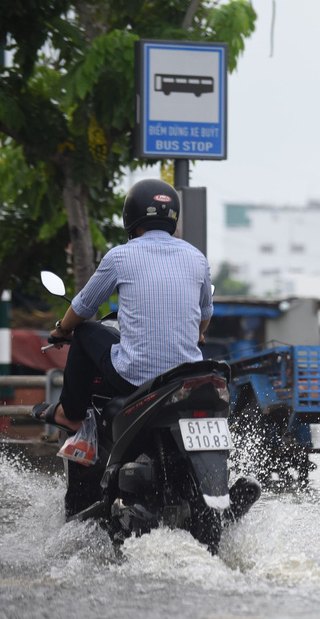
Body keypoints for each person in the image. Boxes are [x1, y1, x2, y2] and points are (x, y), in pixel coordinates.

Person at [33, 178, 213, 436]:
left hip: (134, 378)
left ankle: (69, 414)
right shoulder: (197, 257)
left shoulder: (120, 256)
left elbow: (84, 306)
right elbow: (205, 313)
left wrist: (62, 330)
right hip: (187, 377)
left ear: (131, 215)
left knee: (84, 332)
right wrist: (198, 334)